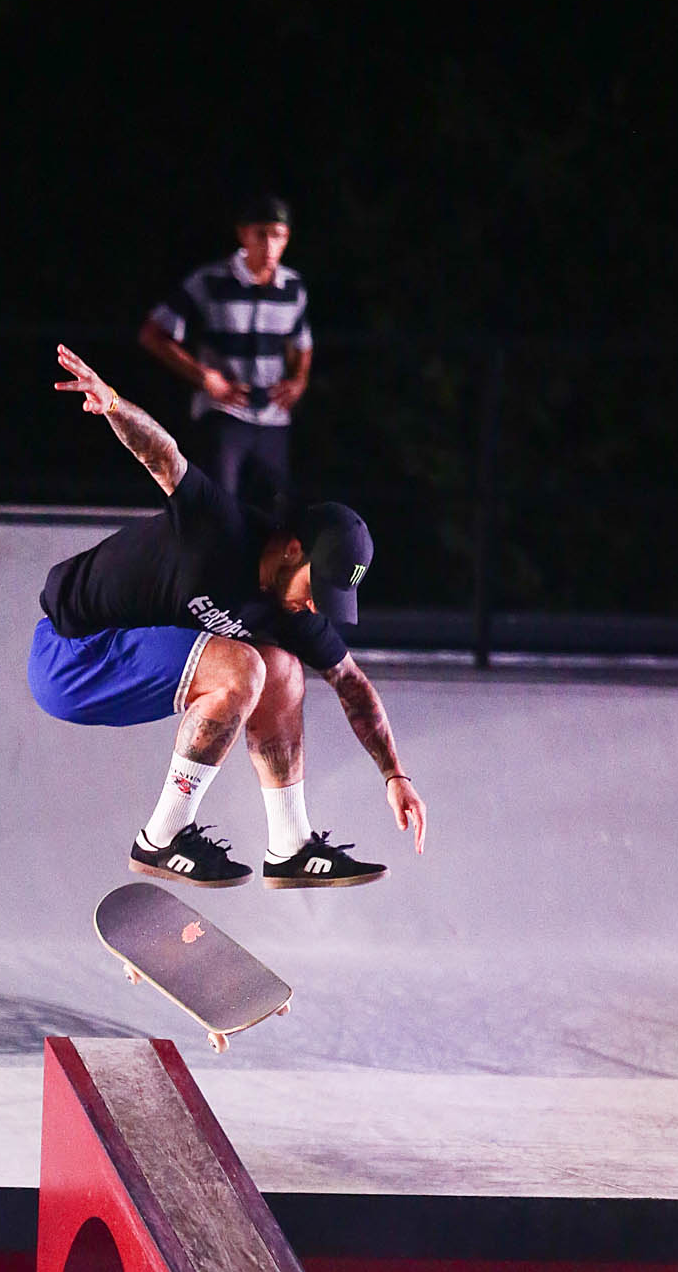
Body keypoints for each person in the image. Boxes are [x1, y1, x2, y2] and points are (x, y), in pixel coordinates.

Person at [28, 345, 426, 890]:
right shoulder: (222, 527)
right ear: (291, 548)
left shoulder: (295, 612)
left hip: (129, 658)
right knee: (243, 666)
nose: (315, 607)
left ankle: (290, 845)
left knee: (283, 670)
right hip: (72, 652)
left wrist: (394, 775)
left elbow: (352, 684)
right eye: (317, 588)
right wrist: (114, 404)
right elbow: (163, 456)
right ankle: (161, 838)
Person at [139, 193, 311, 513]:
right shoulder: (210, 281)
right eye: (262, 235)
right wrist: (204, 377)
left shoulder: (293, 287)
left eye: (279, 236)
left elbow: (302, 342)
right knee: (219, 510)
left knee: (280, 514)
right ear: (243, 234)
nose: (270, 247)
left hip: (273, 418)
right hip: (224, 415)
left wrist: (299, 380)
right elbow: (153, 333)